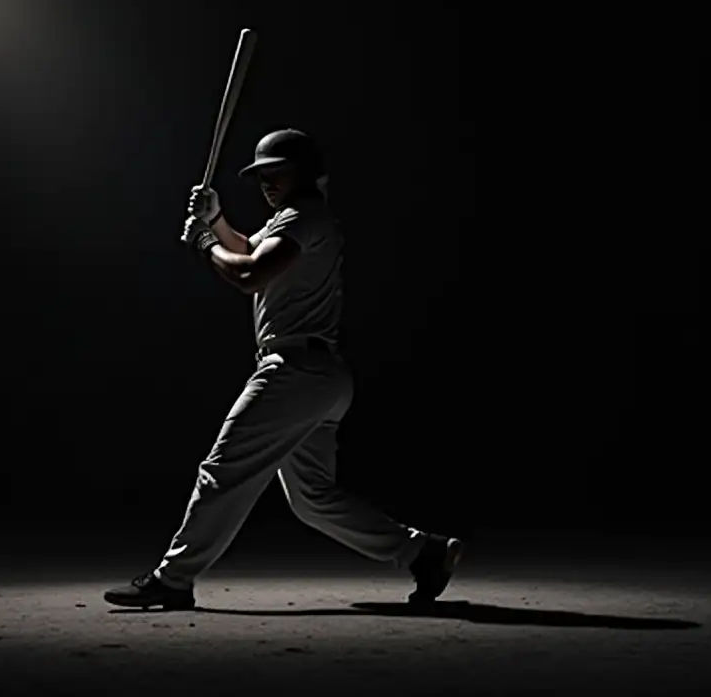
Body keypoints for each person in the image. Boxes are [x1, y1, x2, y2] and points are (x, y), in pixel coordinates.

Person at [103, 128, 462, 610]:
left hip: (295, 371)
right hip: (318, 375)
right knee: (312, 497)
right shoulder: (293, 219)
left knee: (223, 469)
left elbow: (249, 273)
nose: (266, 181)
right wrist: (217, 220)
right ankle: (424, 551)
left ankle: (173, 578)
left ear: (305, 171)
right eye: (261, 174)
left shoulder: (306, 216)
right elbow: (251, 248)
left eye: (277, 171)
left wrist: (206, 243)